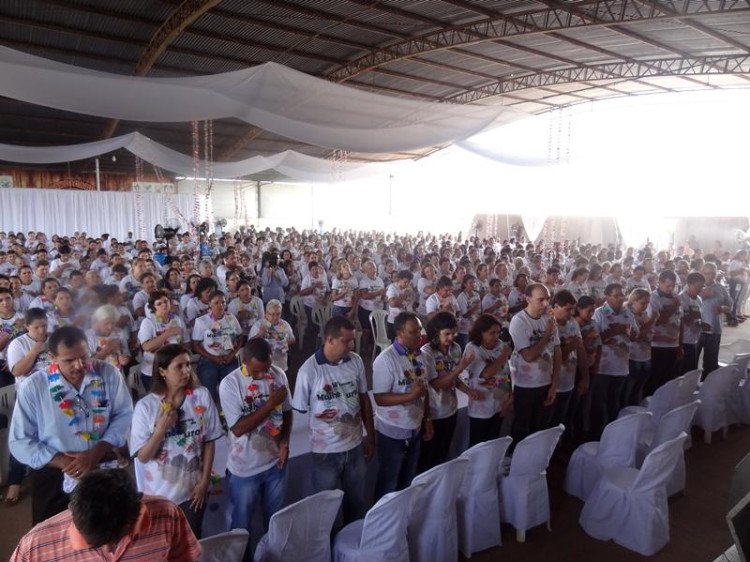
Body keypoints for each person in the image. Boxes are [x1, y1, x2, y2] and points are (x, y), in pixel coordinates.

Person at [10, 326, 133, 524]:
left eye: (84, 357)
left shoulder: (108, 374)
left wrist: (98, 450)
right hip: (55, 473)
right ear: (52, 357)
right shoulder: (34, 387)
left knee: (109, 527)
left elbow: (124, 415)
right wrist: (63, 462)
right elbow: (19, 440)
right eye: (69, 360)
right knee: (54, 536)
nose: (79, 365)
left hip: (101, 461)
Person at [130, 344, 223, 538]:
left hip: (193, 491)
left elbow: (209, 441)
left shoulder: (201, 396)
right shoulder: (146, 407)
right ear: (162, 371)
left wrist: (204, 481)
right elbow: (143, 457)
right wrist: (161, 430)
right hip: (159, 496)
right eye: (178, 367)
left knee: (193, 540)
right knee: (165, 546)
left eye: (188, 365)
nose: (186, 371)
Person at [11, 468, 201, 562]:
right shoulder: (35, 546)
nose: (110, 548)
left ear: (132, 518)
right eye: (94, 543)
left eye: (116, 538)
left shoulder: (166, 514)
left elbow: (184, 557)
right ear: (74, 512)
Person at [292, 316, 374, 524]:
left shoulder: (355, 361)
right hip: (326, 452)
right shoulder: (309, 371)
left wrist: (370, 435)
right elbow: (301, 409)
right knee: (324, 510)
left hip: (355, 446)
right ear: (330, 340)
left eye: (352, 340)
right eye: (346, 341)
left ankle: (353, 550)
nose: (352, 345)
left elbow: (364, 399)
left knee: (356, 502)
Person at [219, 338, 292, 562]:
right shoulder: (230, 385)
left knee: (274, 521)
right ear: (245, 362)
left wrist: (284, 442)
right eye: (258, 371)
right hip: (244, 470)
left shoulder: (278, 374)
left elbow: (287, 412)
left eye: (267, 368)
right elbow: (239, 428)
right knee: (242, 527)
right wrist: (270, 405)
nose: (263, 375)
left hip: (275, 465)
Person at [373, 311, 433, 500]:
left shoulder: (420, 355)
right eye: (413, 332)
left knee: (408, 480)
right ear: (399, 333)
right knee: (389, 483)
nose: (420, 336)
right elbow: (380, 398)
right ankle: (383, 524)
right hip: (392, 432)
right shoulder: (386, 360)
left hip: (414, 427)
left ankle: (402, 520)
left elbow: (425, 390)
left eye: (420, 331)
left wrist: (427, 419)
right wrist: (410, 395)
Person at [418, 311, 476, 471]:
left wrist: (467, 390)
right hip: (434, 411)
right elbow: (437, 385)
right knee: (428, 457)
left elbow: (454, 379)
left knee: (443, 452)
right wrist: (460, 368)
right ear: (436, 333)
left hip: (450, 408)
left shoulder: (455, 348)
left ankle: (440, 487)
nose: (452, 337)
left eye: (454, 333)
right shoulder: (427, 352)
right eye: (447, 334)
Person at [508, 283, 560, 445]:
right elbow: (528, 356)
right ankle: (516, 464)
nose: (545, 304)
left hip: (546, 383)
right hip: (525, 385)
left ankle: (532, 464)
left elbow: (557, 350)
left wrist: (554, 383)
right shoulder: (519, 321)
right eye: (540, 300)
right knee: (522, 429)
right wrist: (546, 335)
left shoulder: (549, 319)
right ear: (528, 299)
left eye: (547, 299)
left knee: (539, 429)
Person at [463, 314, 513, 446]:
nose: (497, 336)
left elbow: (507, 373)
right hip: (481, 407)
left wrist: (510, 397)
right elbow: (486, 374)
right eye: (492, 333)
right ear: (481, 333)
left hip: (499, 405)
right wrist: (504, 355)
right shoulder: (472, 348)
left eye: (498, 332)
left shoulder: (500, 345)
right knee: (478, 445)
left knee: (493, 442)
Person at [192, 290, 243, 404]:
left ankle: (229, 412)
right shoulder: (201, 321)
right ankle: (214, 412)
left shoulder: (231, 318)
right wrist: (213, 358)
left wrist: (231, 354)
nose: (221, 305)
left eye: (223, 302)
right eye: (216, 303)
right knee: (209, 391)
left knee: (231, 389)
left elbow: (240, 337)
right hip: (209, 359)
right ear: (209, 303)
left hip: (228, 358)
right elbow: (195, 345)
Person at [549, 290, 588, 431]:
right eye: (567, 309)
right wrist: (572, 345)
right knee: (548, 423)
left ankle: (559, 447)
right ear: (554, 307)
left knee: (562, 420)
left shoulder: (572, 323)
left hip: (569, 382)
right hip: (550, 385)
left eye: (573, 309)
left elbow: (581, 351)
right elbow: (550, 358)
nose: (571, 313)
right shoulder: (548, 325)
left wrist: (585, 377)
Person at [138, 290, 190, 393]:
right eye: (159, 303)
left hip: (175, 370)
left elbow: (187, 343)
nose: (164, 305)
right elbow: (146, 347)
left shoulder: (177, 320)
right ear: (154, 307)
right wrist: (168, 333)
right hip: (152, 372)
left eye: (166, 301)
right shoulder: (148, 322)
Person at [645, 270, 684, 396]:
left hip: (673, 344)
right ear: (659, 282)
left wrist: (680, 345)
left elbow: (680, 321)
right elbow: (657, 321)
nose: (671, 288)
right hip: (657, 345)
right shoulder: (653, 298)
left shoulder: (676, 297)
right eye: (668, 285)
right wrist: (673, 307)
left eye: (673, 286)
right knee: (655, 379)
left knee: (668, 379)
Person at [696, 262, 732, 377]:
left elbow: (730, 305)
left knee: (711, 363)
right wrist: (701, 295)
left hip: (714, 330)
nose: (710, 276)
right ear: (702, 273)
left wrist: (723, 308)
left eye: (713, 273)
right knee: (691, 362)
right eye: (707, 273)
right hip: (696, 331)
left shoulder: (720, 288)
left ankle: (707, 387)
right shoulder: (695, 287)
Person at [625, 288, 655, 406]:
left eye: (647, 303)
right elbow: (637, 335)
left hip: (646, 355)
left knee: (639, 388)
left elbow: (651, 332)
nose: (645, 306)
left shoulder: (644, 314)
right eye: (643, 303)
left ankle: (636, 413)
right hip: (633, 356)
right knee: (629, 389)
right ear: (633, 301)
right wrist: (652, 319)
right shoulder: (628, 314)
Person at [249, 299, 295, 372]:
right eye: (272, 314)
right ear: (267, 313)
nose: (275, 317)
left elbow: (293, 340)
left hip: (280, 363)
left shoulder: (284, 324)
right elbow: (250, 344)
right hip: (263, 364)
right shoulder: (258, 325)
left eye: (278, 314)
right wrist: (260, 334)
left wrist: (284, 342)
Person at [679, 272, 708, 375]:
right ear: (689, 284)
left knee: (691, 371)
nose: (700, 289)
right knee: (681, 372)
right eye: (697, 286)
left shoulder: (699, 299)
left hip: (695, 340)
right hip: (683, 340)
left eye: (702, 286)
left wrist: (701, 322)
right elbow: (682, 319)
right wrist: (700, 320)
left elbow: (698, 317)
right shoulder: (681, 299)